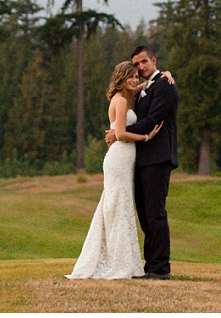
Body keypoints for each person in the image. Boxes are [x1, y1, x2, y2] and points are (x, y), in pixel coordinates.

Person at [66, 61, 162, 279]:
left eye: (136, 77)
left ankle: (123, 261)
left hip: (126, 159)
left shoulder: (128, 96)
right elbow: (119, 134)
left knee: (120, 207)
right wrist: (146, 137)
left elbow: (149, 82)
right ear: (121, 77)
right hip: (119, 158)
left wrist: (165, 73)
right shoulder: (119, 101)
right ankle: (118, 263)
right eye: (130, 76)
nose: (135, 80)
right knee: (117, 208)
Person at [105, 45, 179, 280]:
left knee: (155, 212)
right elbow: (128, 92)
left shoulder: (165, 86)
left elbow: (152, 120)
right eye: (136, 64)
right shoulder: (144, 88)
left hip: (158, 157)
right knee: (145, 214)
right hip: (140, 159)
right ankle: (150, 265)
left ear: (153, 60)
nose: (141, 67)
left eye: (144, 62)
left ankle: (161, 268)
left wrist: (120, 132)